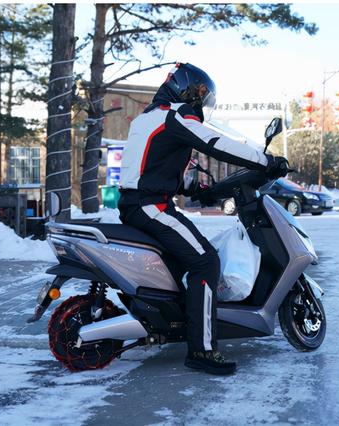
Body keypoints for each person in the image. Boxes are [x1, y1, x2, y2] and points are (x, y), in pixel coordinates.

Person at [117, 63, 289, 375]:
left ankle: (176, 320)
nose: (201, 102)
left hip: (140, 202)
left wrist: (196, 188)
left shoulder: (150, 118)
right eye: (201, 95)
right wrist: (266, 161)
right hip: (150, 206)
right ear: (189, 89)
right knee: (206, 261)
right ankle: (202, 349)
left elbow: (149, 167)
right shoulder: (174, 115)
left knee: (187, 258)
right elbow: (214, 143)